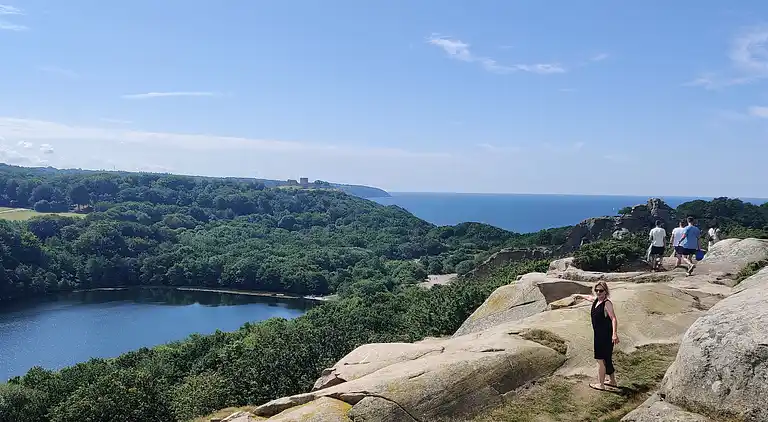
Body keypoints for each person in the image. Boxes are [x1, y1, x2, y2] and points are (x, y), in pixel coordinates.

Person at [576, 281, 619, 391]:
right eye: (596, 290)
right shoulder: (596, 300)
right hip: (600, 334)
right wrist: (579, 295)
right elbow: (589, 297)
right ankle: (613, 381)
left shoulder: (607, 303)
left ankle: (601, 384)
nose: (598, 292)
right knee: (607, 358)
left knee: (600, 359)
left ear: (605, 291)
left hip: (604, 336)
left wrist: (614, 334)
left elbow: (613, 318)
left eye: (601, 290)